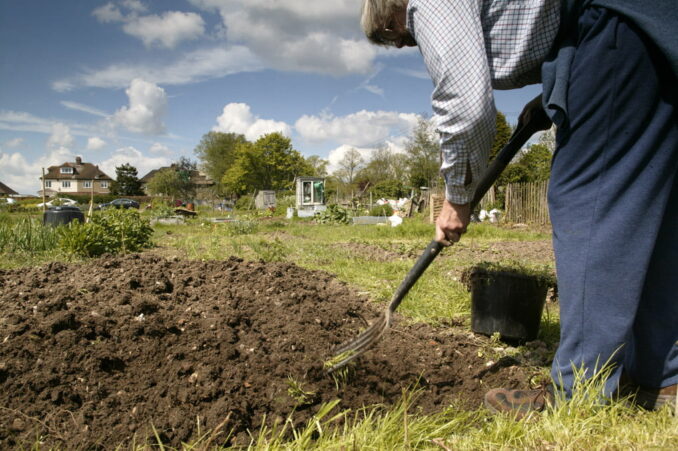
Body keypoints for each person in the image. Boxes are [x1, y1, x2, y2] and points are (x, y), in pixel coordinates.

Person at [360, 0, 677, 416]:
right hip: (645, 32)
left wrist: (458, 197)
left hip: (614, 35)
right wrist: (554, 91)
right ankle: (663, 377)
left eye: (395, 33)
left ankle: (580, 388)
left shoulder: (427, 2)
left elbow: (465, 104)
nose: (403, 43)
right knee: (646, 211)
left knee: (589, 203)